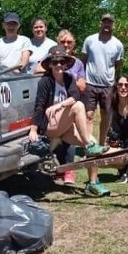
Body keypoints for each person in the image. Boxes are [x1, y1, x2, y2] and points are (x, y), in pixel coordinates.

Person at [28, 46, 110, 196]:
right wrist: (33, 129)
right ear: (50, 64)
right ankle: (87, 145)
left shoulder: (68, 78)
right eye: (55, 62)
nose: (58, 65)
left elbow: (75, 95)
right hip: (50, 126)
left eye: (61, 61)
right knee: (78, 107)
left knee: (93, 142)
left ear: (66, 64)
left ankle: (92, 184)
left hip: (65, 126)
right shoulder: (45, 81)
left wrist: (59, 105)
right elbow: (39, 107)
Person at [81, 13, 124, 146]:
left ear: (113, 25)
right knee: (88, 116)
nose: (107, 25)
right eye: (104, 22)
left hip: (108, 85)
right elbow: (83, 59)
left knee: (106, 116)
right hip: (90, 83)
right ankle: (88, 145)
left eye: (109, 22)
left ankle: (101, 144)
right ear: (100, 23)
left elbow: (118, 64)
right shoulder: (90, 40)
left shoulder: (118, 44)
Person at [52, 29, 85, 185]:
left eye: (69, 42)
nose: (66, 44)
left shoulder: (77, 63)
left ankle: (69, 170)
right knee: (57, 137)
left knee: (69, 136)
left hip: (70, 103)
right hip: (53, 103)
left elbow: (82, 85)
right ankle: (61, 169)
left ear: (73, 44)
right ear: (58, 42)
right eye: (63, 42)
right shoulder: (53, 58)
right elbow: (38, 70)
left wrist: (66, 77)